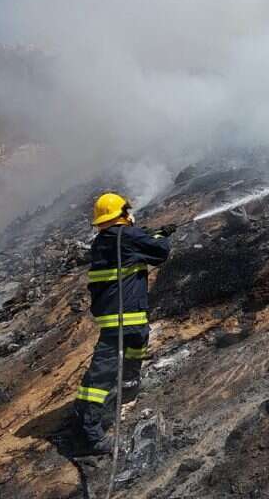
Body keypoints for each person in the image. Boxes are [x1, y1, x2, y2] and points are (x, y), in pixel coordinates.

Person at [73, 192, 175, 454]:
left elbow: (138, 252)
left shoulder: (103, 242)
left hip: (120, 318)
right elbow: (161, 252)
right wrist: (161, 236)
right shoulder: (127, 236)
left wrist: (150, 236)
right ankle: (91, 433)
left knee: (133, 350)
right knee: (102, 375)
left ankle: (127, 391)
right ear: (124, 213)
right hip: (126, 317)